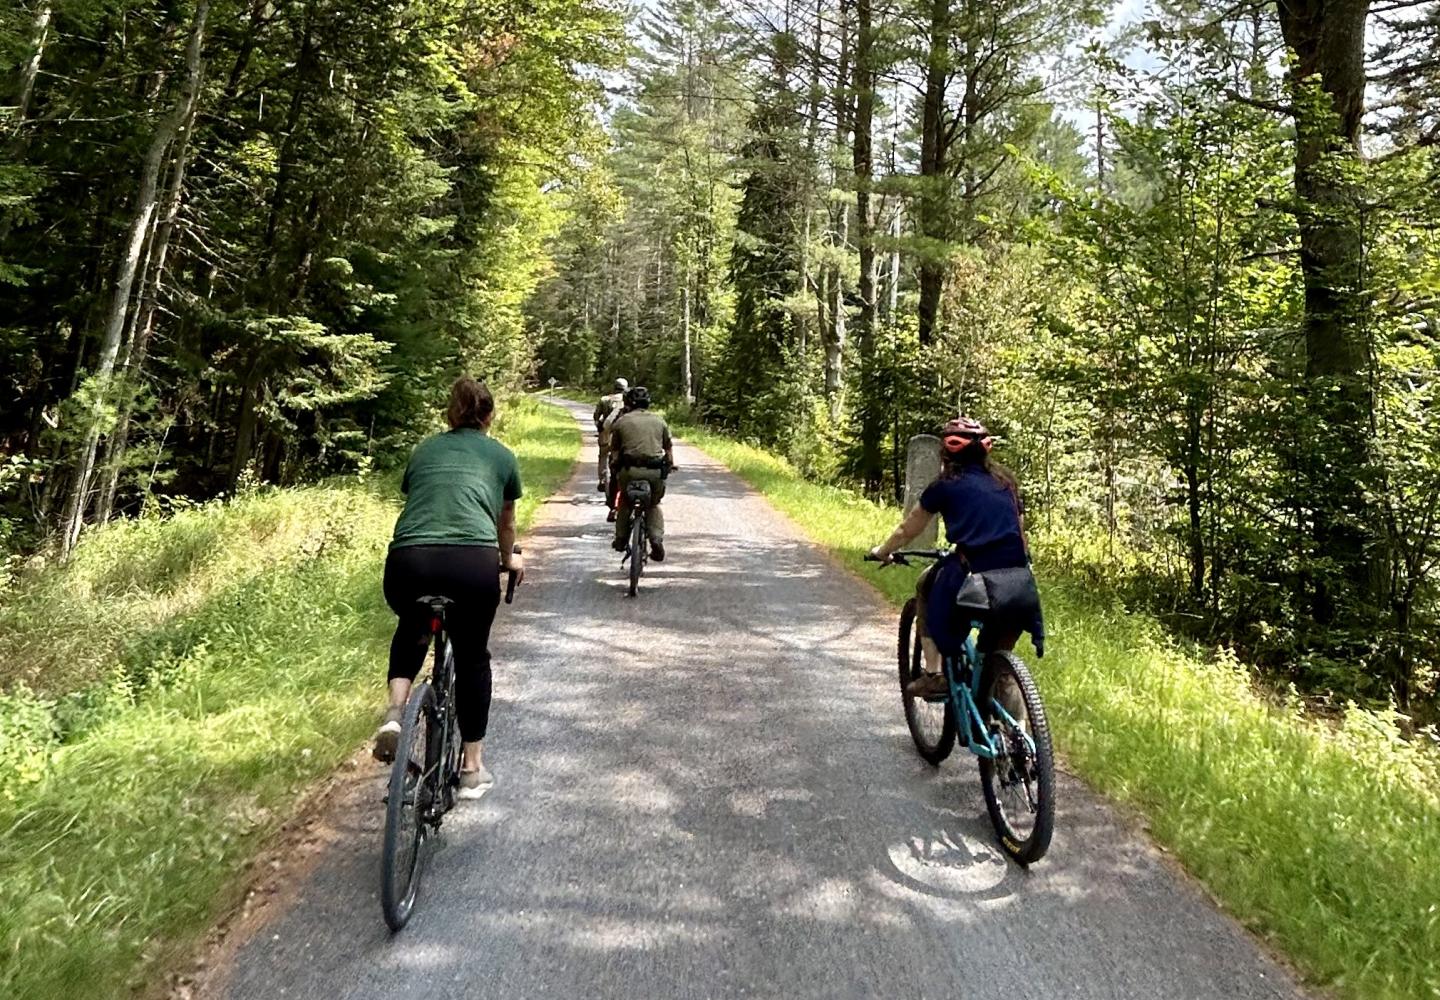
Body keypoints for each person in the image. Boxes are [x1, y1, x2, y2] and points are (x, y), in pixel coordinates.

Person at [373, 376, 525, 799]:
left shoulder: (425, 450)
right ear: (489, 417)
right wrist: (507, 559)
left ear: (450, 414)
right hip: (470, 565)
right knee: (473, 657)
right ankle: (472, 768)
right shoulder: (501, 456)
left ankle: (394, 713)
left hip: (409, 562)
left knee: (413, 625)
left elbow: (417, 494)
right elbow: (506, 522)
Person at [868, 417, 1043, 698]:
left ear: (947, 453)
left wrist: (883, 551)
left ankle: (934, 675)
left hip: (975, 574)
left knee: (926, 585)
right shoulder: (1006, 482)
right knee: (997, 662)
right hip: (1018, 581)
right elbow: (1020, 531)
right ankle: (1021, 733)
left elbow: (908, 527)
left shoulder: (945, 485)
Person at [608, 385, 676, 561]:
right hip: (654, 473)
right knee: (653, 504)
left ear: (629, 403)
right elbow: (668, 448)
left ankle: (621, 539)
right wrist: (670, 464)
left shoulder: (621, 422)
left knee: (624, 501)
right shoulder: (660, 421)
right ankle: (656, 538)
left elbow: (614, 452)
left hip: (629, 472)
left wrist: (615, 465)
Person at [594, 378, 629, 492]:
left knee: (603, 455)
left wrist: (599, 429)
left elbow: (596, 416)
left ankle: (603, 479)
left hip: (606, 432)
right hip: (623, 432)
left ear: (614, 387)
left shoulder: (605, 399)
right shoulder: (628, 400)